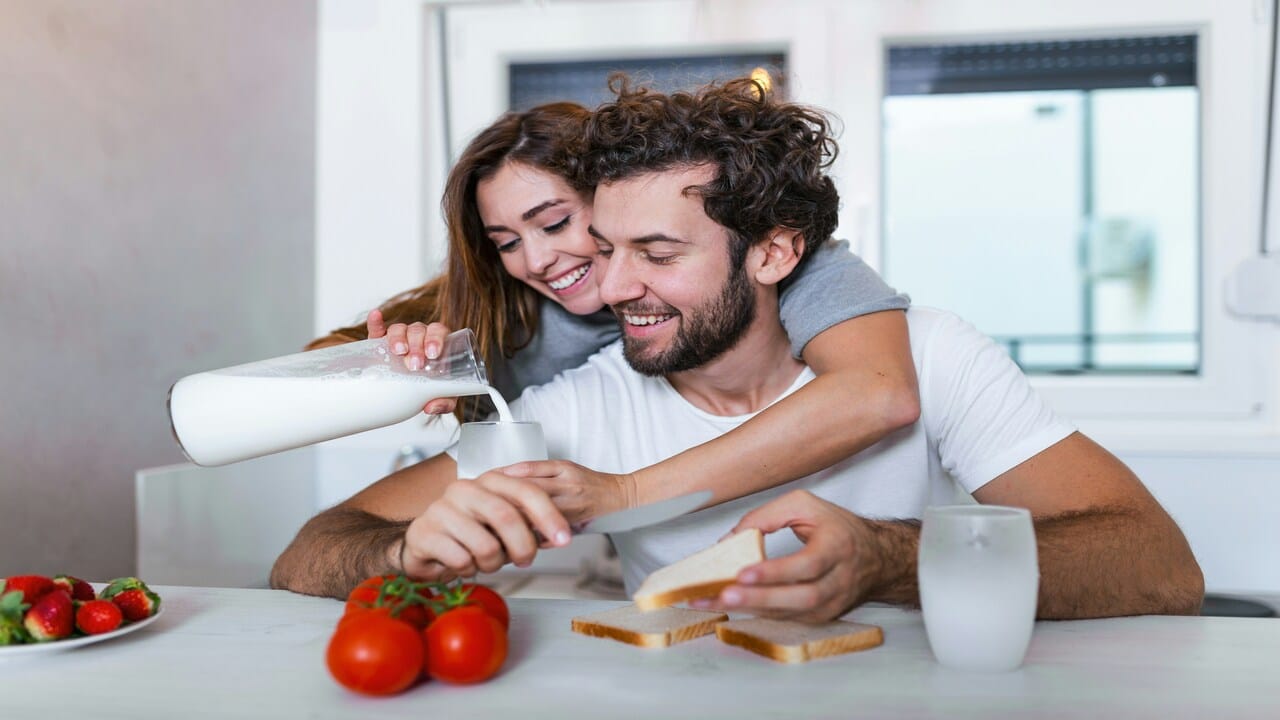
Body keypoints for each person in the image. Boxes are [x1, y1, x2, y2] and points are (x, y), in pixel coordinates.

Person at [272, 77, 1203, 621]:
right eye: (608, 243)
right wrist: (404, 551)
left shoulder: (927, 351)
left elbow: (1161, 566)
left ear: (774, 251)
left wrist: (888, 558)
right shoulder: (575, 406)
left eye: (658, 252)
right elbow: (311, 555)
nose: (610, 281)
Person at [307, 100, 922, 526]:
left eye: (555, 223)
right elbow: (315, 368)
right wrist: (402, 364)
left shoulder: (771, 262)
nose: (539, 260)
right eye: (507, 242)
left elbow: (877, 392)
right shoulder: (500, 303)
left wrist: (626, 496)